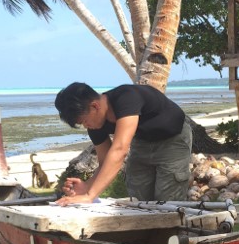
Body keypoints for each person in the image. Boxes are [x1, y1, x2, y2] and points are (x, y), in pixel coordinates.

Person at [53, 82, 192, 205]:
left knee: (167, 203)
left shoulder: (127, 97)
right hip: (143, 142)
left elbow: (120, 150)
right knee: (139, 202)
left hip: (173, 140)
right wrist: (87, 187)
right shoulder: (95, 125)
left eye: (84, 121)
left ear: (95, 106)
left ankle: (170, 234)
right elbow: (105, 162)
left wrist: (90, 196)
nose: (86, 126)